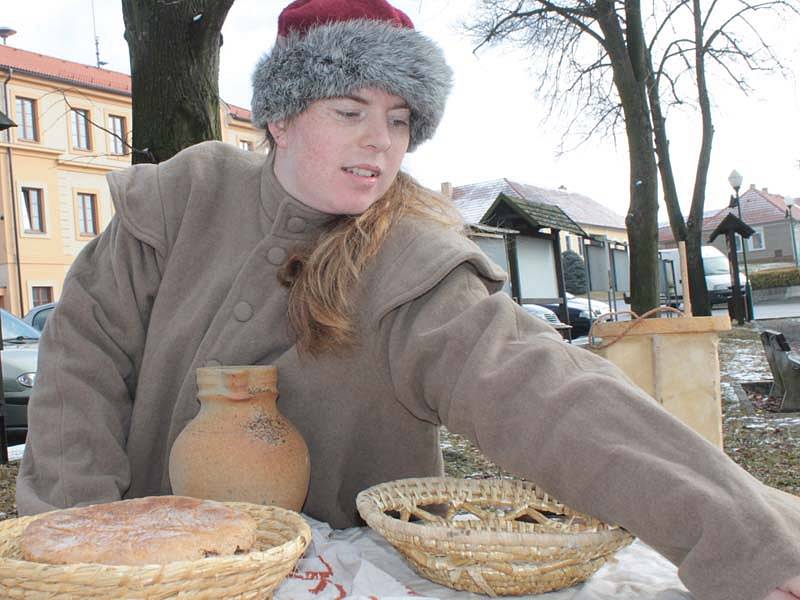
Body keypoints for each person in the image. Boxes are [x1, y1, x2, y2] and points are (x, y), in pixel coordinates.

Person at [15, 1, 800, 598]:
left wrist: (748, 546)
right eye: (349, 112)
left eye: (399, 120)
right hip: (138, 567)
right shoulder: (183, 198)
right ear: (282, 119)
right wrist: (75, 540)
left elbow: (558, 402)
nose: (379, 141)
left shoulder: (413, 264)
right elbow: (83, 363)